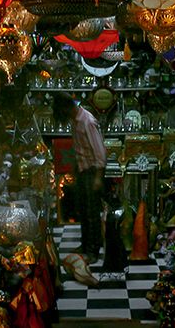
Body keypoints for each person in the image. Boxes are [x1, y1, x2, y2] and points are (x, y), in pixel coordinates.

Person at [52, 92, 106, 263]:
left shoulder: (87, 122)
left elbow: (99, 151)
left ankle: (93, 251)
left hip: (92, 171)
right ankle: (85, 245)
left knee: (92, 212)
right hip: (83, 171)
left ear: (66, 108)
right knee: (83, 210)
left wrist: (98, 177)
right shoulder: (75, 121)